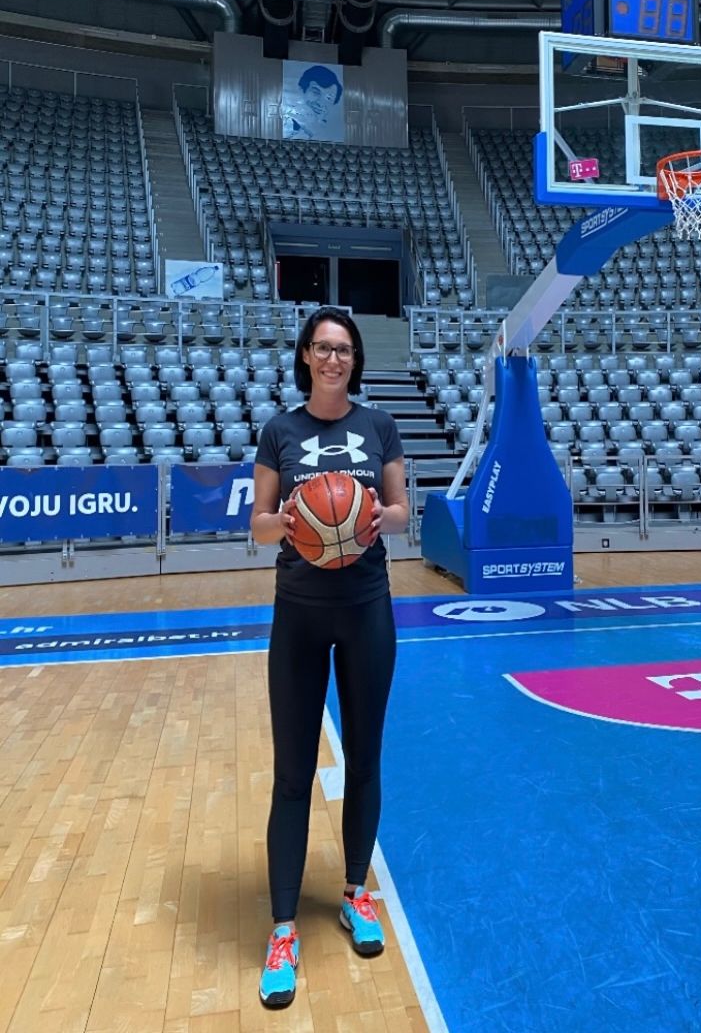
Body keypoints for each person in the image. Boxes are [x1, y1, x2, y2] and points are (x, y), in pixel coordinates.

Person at [252, 306, 409, 1009]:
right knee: (292, 774)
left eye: (343, 349)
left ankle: (354, 892)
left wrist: (381, 516)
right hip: (300, 613)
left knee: (366, 760)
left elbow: (402, 510)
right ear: (305, 356)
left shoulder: (379, 427)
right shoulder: (279, 431)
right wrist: (285, 521)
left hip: (367, 606)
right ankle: (284, 929)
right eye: (322, 347)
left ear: (355, 359)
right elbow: (258, 526)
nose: (333, 358)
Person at [282, 64, 344, 142]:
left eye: (329, 98)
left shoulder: (332, 134)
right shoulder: (286, 123)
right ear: (301, 91)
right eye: (315, 92)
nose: (320, 101)